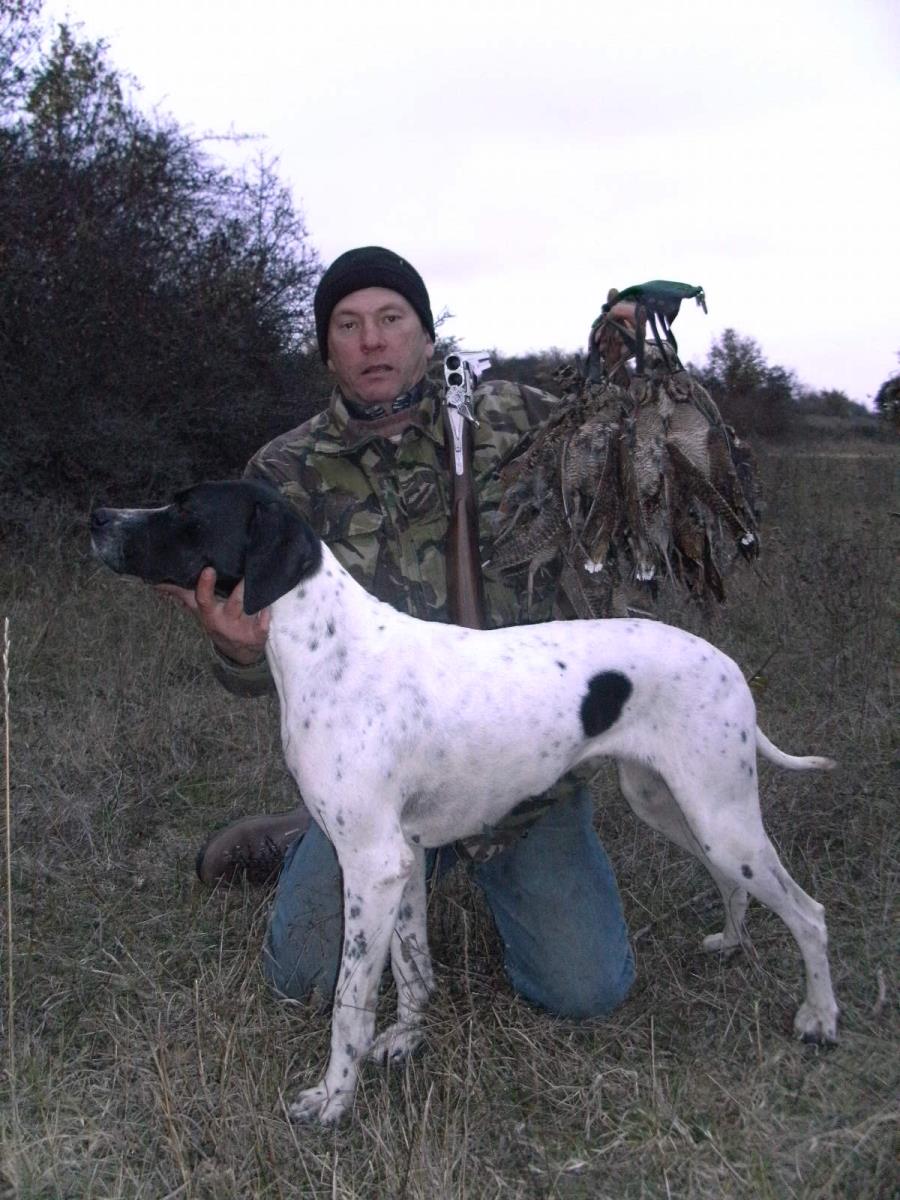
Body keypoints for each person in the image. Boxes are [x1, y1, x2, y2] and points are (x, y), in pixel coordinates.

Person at [160, 246, 634, 1019]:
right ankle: (314, 833)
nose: (372, 340)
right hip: (376, 776)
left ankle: (457, 856)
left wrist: (624, 352)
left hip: (521, 773)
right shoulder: (282, 476)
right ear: (327, 350)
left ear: (427, 335)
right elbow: (259, 641)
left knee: (587, 992)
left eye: (391, 319)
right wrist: (240, 650)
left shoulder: (519, 421)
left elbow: (617, 435)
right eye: (348, 325)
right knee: (301, 981)